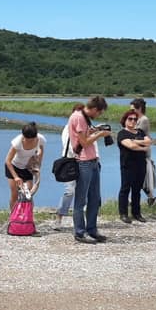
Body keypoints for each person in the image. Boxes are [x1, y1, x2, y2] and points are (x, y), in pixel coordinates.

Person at [70, 95, 111, 244]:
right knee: (81, 199)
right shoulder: (79, 117)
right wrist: (100, 134)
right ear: (94, 109)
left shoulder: (85, 118)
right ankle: (80, 232)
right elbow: (84, 142)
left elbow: (85, 136)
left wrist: (94, 130)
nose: (98, 115)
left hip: (93, 161)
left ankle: (92, 229)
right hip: (83, 162)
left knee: (94, 198)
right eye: (99, 113)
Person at [117, 109, 152, 224]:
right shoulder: (122, 133)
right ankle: (123, 213)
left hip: (140, 164)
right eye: (130, 119)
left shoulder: (140, 131)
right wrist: (141, 146)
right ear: (125, 120)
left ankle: (136, 213)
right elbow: (131, 146)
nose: (133, 121)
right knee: (125, 189)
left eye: (135, 119)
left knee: (137, 190)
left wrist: (135, 140)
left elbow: (148, 141)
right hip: (128, 165)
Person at [4, 122, 46, 211]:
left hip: (27, 168)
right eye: (27, 139)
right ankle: (13, 217)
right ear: (23, 136)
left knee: (28, 194)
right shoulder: (17, 142)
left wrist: (38, 164)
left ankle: (28, 217)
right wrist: (16, 177)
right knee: (14, 193)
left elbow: (41, 149)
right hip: (13, 166)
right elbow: (8, 161)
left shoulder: (40, 139)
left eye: (32, 140)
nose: (29, 141)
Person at [54, 104, 83, 231]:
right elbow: (70, 145)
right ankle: (59, 216)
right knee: (70, 191)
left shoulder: (86, 127)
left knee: (84, 191)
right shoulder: (67, 128)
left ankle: (81, 219)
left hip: (84, 162)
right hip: (70, 162)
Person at [130, 98, 156, 206]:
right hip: (136, 151)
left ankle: (149, 197)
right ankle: (150, 197)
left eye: (132, 109)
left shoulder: (143, 120)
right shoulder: (136, 118)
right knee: (138, 177)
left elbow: (137, 134)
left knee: (141, 177)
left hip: (142, 152)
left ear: (139, 108)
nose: (131, 112)